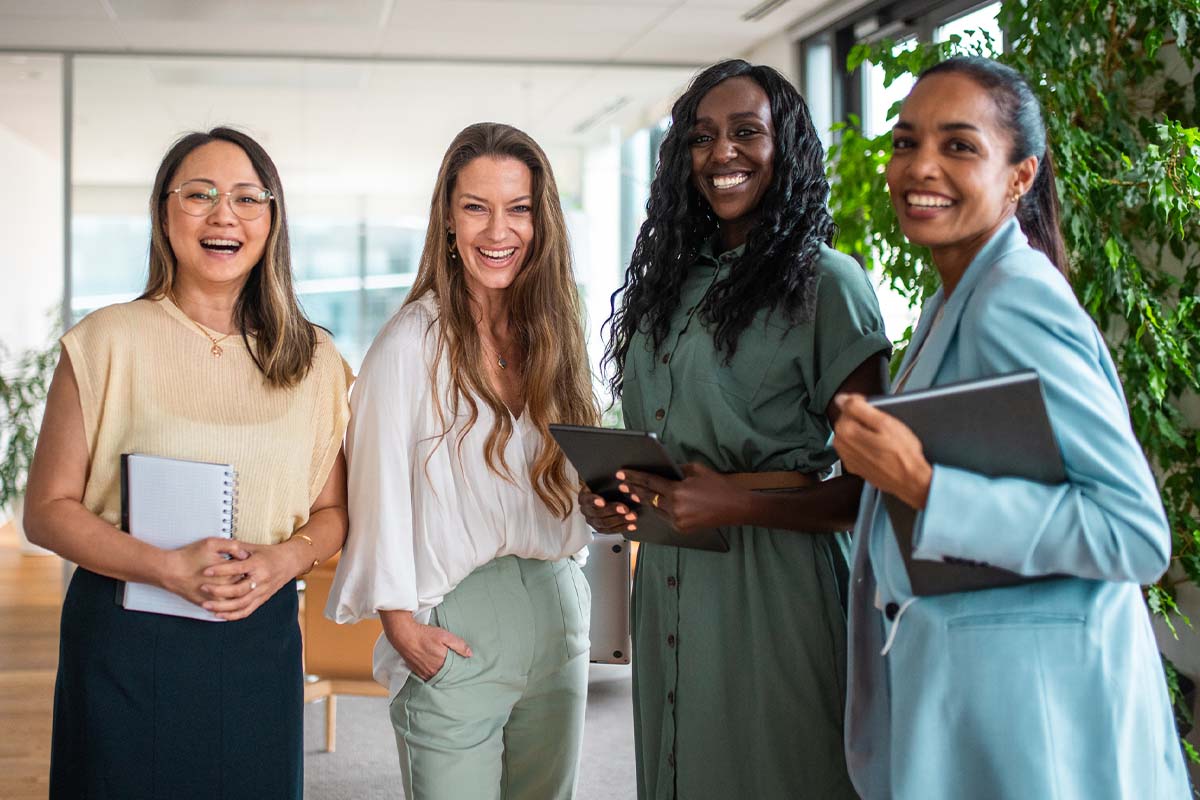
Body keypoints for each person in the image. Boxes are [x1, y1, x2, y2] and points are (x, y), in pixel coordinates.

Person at [832, 56, 1190, 799]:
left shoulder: (1014, 301)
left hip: (1035, 723)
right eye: (905, 142)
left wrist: (925, 487)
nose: (919, 166)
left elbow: (1134, 534)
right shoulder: (949, 300)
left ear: (1020, 176)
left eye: (959, 146)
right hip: (978, 704)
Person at [582, 60, 891, 799]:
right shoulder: (666, 284)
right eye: (702, 137)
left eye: (747, 132)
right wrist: (614, 497)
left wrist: (739, 504)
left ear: (786, 148)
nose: (722, 153)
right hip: (667, 571)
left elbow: (874, 490)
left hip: (776, 585)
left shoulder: (828, 285)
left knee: (780, 770)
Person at [23, 127, 352, 799]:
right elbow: (47, 511)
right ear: (163, 213)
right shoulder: (106, 340)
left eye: (245, 197)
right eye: (198, 194)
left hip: (256, 635)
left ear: (272, 218)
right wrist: (165, 566)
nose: (222, 214)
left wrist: (284, 560)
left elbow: (331, 512)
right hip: (123, 632)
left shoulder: (314, 360)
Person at [326, 122, 598, 800]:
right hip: (456, 623)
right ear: (449, 219)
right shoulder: (408, 344)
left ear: (543, 220)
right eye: (476, 207)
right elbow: (377, 489)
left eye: (519, 208)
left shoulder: (556, 334)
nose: (496, 230)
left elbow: (571, 474)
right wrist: (400, 624)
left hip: (557, 613)